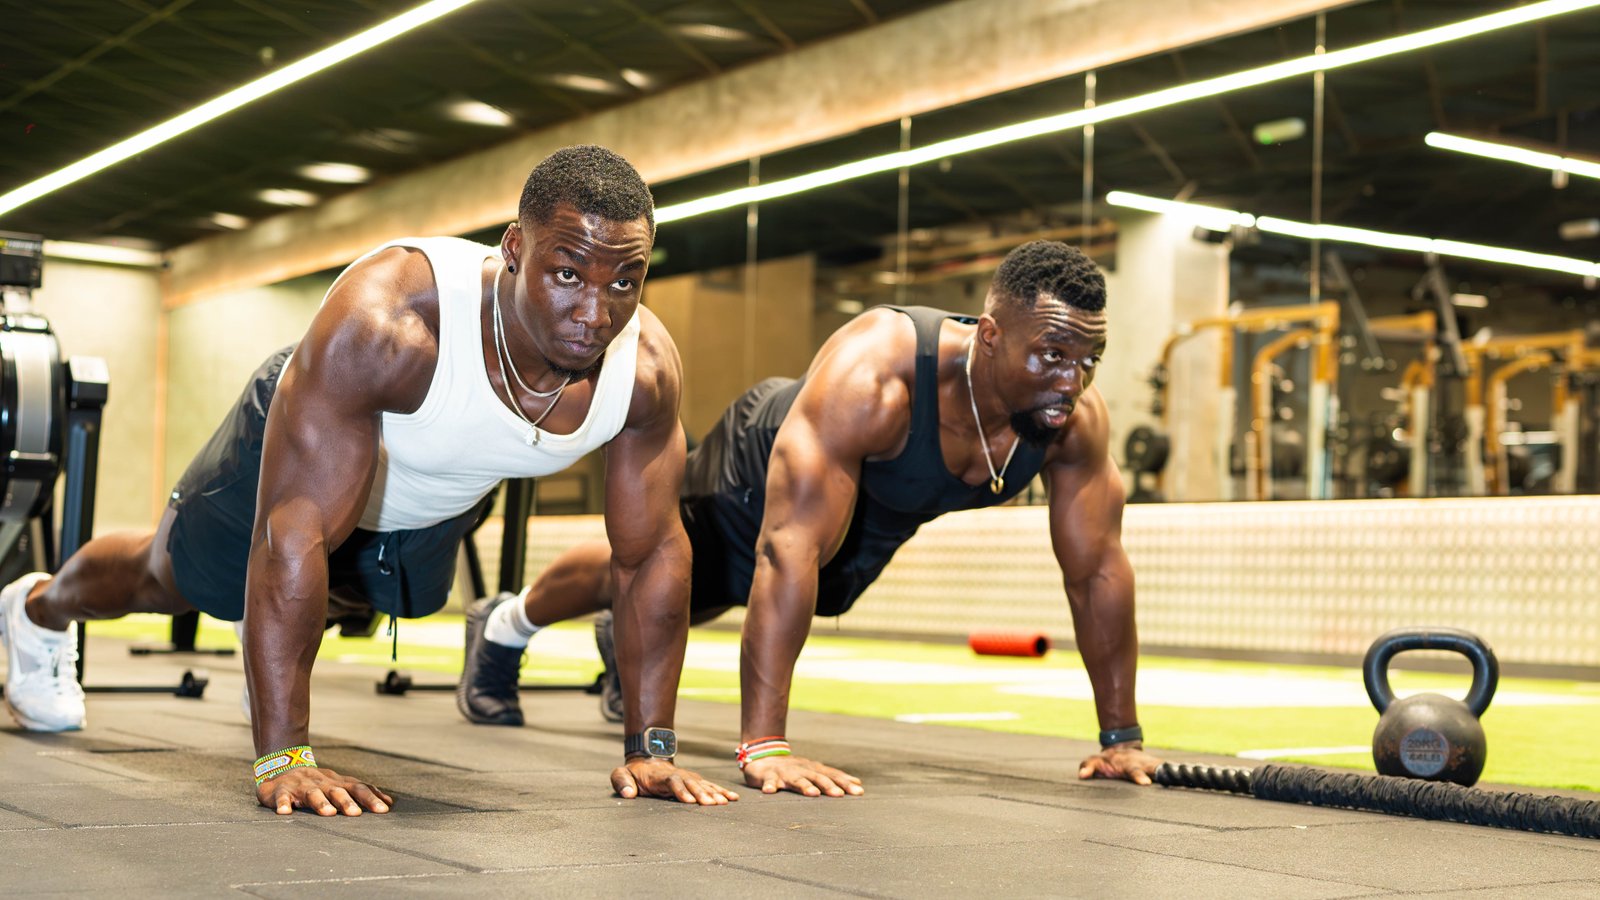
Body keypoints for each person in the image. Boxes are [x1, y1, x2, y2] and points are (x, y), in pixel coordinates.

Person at [0, 145, 738, 814]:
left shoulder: (642, 373)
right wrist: (285, 757)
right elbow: (293, 524)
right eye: (568, 273)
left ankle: (274, 610)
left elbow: (649, 557)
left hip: (423, 500)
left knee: (364, 598)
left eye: (624, 282)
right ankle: (38, 609)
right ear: (514, 249)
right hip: (305, 449)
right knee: (170, 581)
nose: (594, 312)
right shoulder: (390, 320)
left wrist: (652, 751)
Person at [459, 240, 1160, 796]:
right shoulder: (877, 376)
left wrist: (1119, 738)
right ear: (988, 335)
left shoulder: (1070, 423)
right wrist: (764, 746)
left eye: (1089, 359)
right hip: (756, 466)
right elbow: (786, 548)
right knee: (667, 567)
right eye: (1052, 355)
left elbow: (1096, 571)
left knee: (719, 595)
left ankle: (623, 639)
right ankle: (504, 626)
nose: (1072, 381)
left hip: (877, 515)